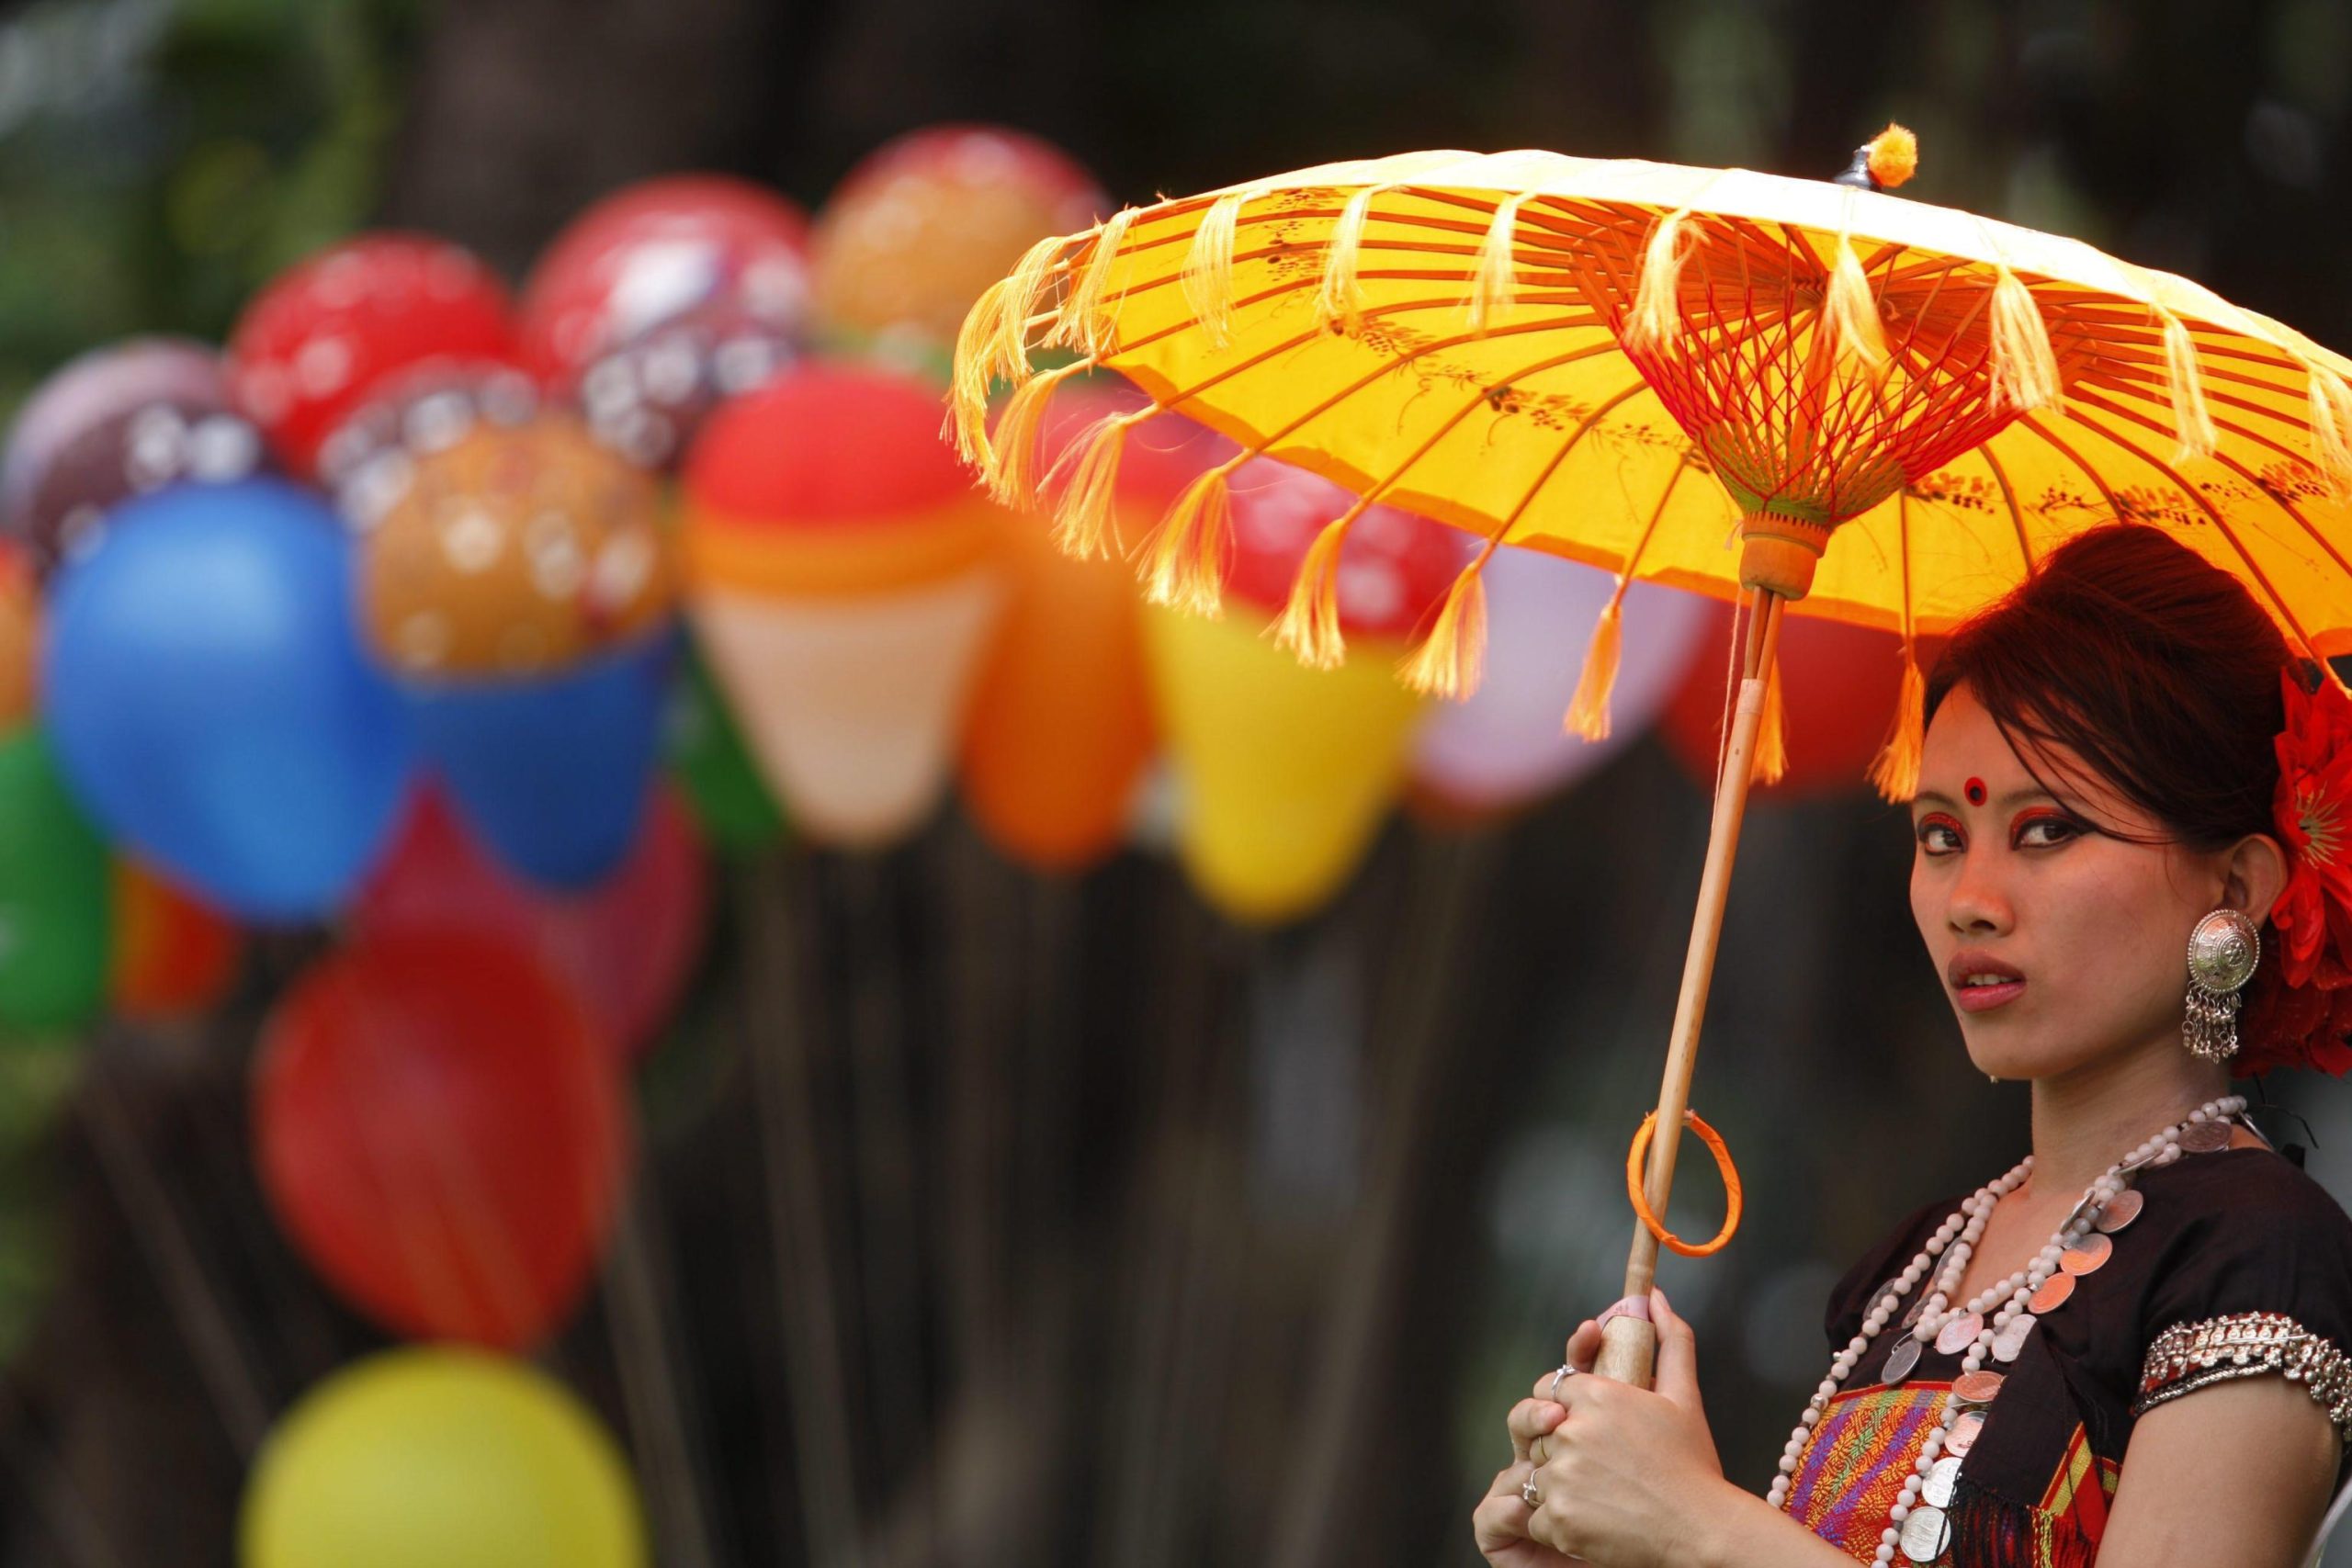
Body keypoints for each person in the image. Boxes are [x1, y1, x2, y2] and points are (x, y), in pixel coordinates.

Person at [1473, 522, 2352, 1567]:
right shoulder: (1912, 1267)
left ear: (2236, 889)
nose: (1968, 901)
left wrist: (1696, 1523)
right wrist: (1610, 1532)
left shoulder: (2252, 1256)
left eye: (2046, 830)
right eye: (1940, 836)